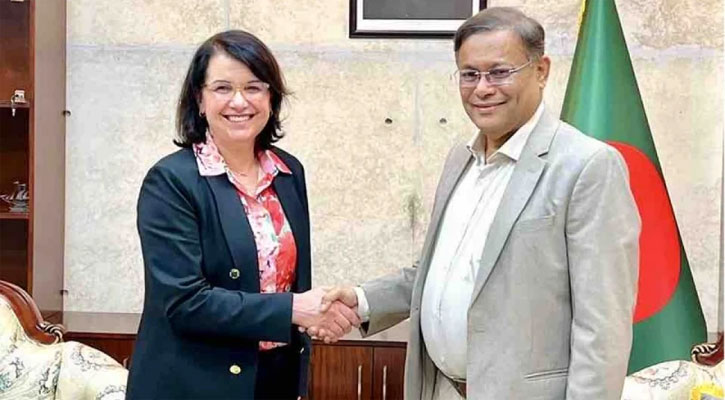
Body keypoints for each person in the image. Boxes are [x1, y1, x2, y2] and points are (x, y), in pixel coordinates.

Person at [316, 7, 641, 400]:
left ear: (541, 71)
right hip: (441, 390)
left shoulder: (587, 166)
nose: (482, 88)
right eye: (469, 74)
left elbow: (603, 326)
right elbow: (439, 272)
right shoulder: (461, 159)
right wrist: (363, 300)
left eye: (500, 72)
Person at [125, 30, 359, 400]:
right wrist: (295, 309)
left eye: (253, 87)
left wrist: (316, 317)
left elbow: (291, 281)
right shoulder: (170, 181)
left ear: (271, 98)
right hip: (195, 383)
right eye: (222, 88)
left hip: (275, 378)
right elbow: (185, 303)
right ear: (199, 99)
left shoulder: (288, 172)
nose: (239, 101)